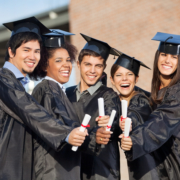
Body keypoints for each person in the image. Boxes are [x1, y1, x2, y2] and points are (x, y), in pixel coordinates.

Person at [0, 17, 87, 180]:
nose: (32, 56)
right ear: (11, 51)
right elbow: (28, 109)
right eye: (26, 50)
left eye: (37, 51)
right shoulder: (3, 80)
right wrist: (66, 134)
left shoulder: (18, 85)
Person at [121, 32, 180, 180]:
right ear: (157, 56)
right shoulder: (156, 93)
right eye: (164, 54)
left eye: (174, 57)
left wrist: (135, 140)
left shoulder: (177, 93)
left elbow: (161, 120)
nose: (167, 60)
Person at [29, 29, 87, 180]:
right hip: (52, 170)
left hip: (64, 168)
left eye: (68, 60)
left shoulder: (59, 91)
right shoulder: (45, 90)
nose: (66, 65)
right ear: (44, 65)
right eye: (58, 60)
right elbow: (49, 126)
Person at [66, 33, 121, 180]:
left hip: (101, 170)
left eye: (98, 66)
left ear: (104, 68)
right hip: (73, 169)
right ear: (78, 64)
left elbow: (113, 120)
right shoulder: (67, 93)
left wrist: (108, 123)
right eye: (88, 64)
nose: (92, 70)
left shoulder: (109, 95)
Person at [108, 53, 165, 180]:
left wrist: (129, 122)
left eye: (129, 74)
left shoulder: (141, 99)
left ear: (136, 78)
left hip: (153, 166)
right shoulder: (114, 102)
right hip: (137, 168)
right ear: (112, 79)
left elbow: (138, 114)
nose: (124, 79)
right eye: (119, 75)